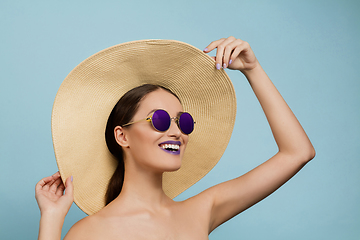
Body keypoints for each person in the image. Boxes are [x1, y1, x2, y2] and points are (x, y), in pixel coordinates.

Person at [35, 36, 315, 240]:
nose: (176, 131)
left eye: (184, 121)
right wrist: (51, 218)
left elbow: (298, 153)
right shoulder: (91, 233)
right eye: (158, 120)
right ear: (122, 136)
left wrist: (253, 71)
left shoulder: (203, 210)